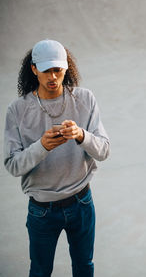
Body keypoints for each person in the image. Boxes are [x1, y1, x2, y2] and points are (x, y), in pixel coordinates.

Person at [4, 39, 110, 277]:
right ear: (34, 69)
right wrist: (41, 146)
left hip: (82, 202)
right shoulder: (17, 110)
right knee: (40, 271)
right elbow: (12, 165)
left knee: (84, 267)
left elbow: (103, 150)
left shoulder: (84, 99)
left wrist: (82, 135)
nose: (53, 77)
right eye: (46, 70)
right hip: (42, 210)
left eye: (58, 70)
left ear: (66, 68)